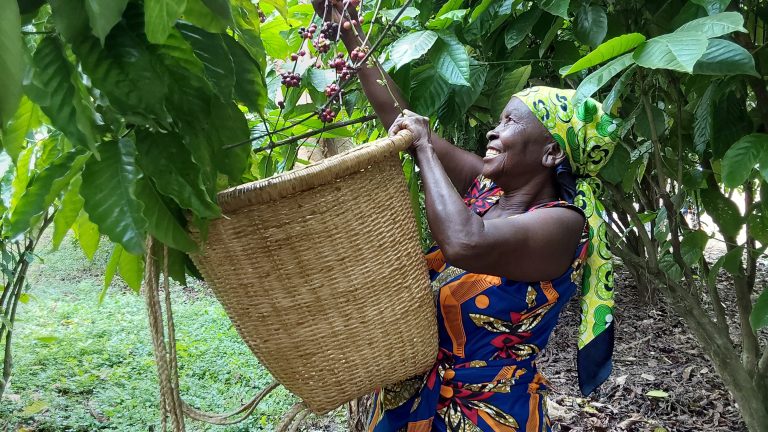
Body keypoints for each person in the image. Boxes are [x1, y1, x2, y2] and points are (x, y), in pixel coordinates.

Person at [312, 2, 620, 430]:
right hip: (416, 400)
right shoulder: (486, 189)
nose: (494, 131)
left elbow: (465, 243)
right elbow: (402, 122)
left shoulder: (564, 225)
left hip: (490, 414)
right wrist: (348, 32)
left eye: (510, 122)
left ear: (551, 152)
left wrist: (423, 149)